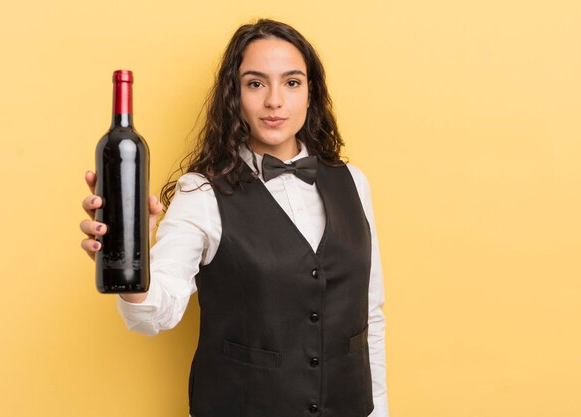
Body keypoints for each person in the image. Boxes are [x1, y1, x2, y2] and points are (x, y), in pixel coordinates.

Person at [80, 18, 388, 417]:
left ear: (311, 94)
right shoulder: (202, 191)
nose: (274, 101)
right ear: (234, 95)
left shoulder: (353, 182)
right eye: (256, 83)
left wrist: (378, 410)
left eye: (291, 82)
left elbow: (370, 315)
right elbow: (158, 311)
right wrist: (131, 263)